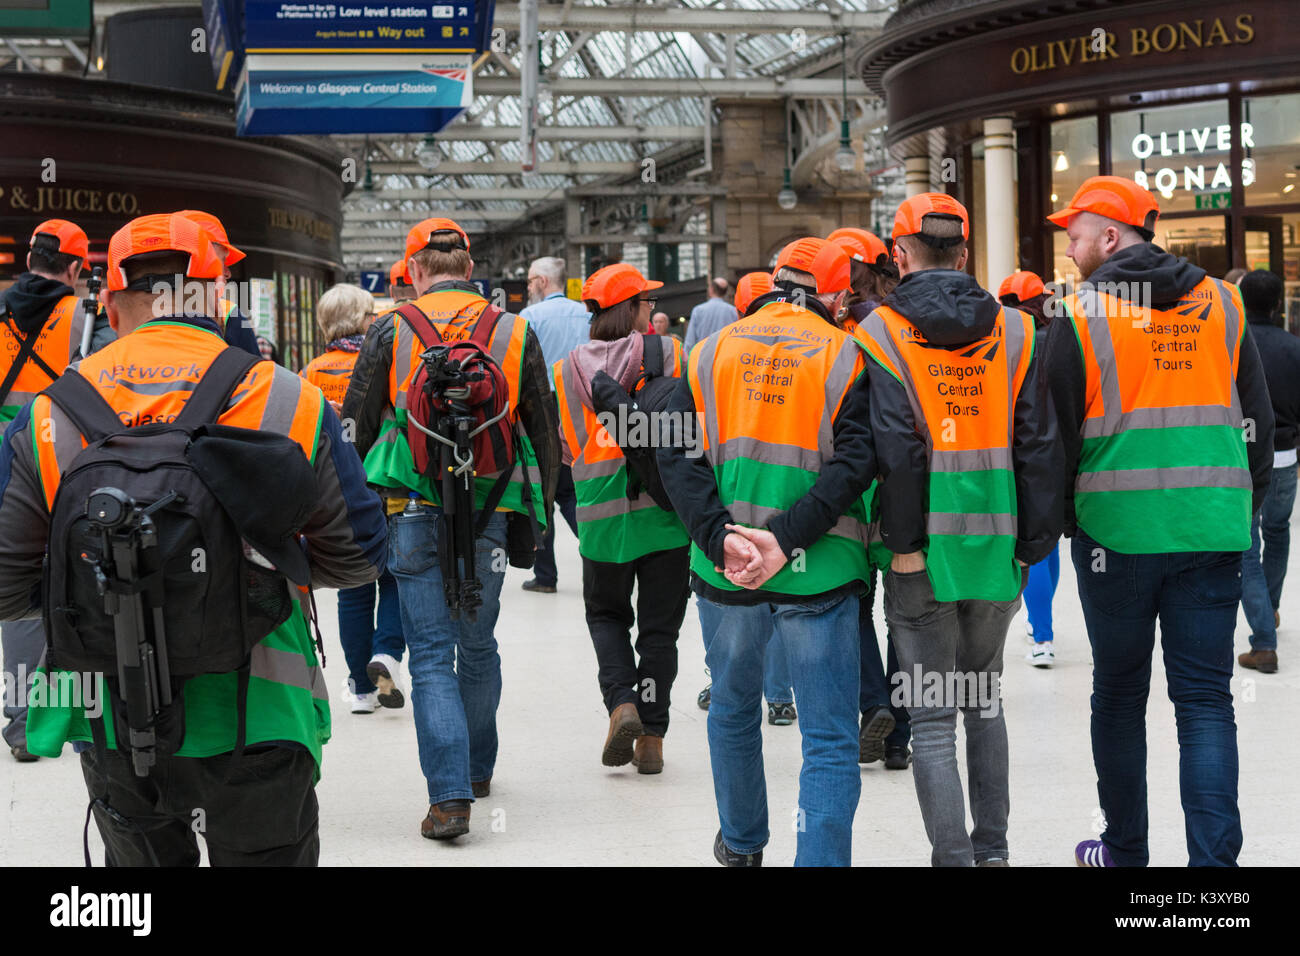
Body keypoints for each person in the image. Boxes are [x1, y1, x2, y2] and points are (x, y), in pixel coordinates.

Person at [0, 212, 387, 865]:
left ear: (110, 302)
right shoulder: (285, 398)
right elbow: (357, 555)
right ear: (215, 295)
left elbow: (8, 585)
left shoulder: (50, 415)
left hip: (114, 719)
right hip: (262, 709)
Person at [1044, 176, 1273, 867]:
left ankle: (1123, 853)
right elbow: (1256, 425)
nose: (1071, 247)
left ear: (1112, 236)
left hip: (1115, 534)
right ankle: (1213, 871)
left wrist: (1063, 522)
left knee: (1118, 697)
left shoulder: (1081, 312)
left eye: (1076, 234)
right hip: (1211, 529)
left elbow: (1054, 439)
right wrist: (1240, 504)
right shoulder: (1223, 303)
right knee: (1205, 702)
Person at [855, 194, 1062, 867]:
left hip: (921, 561)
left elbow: (896, 450)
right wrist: (1032, 546)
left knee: (934, 720)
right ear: (966, 253)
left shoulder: (879, 334)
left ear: (898, 253)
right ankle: (994, 853)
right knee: (983, 700)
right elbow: (1039, 448)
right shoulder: (1019, 332)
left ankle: (954, 860)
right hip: (997, 554)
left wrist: (907, 547)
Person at [660, 237, 876, 867]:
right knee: (830, 738)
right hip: (820, 573)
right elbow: (858, 463)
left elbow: (677, 455)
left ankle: (743, 844)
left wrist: (719, 534)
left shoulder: (707, 352)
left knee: (731, 709)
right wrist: (785, 540)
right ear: (833, 295)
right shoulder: (845, 355)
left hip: (727, 576)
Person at [343, 217, 559, 841]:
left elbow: (353, 430)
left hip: (410, 510)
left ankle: (449, 800)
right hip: (492, 507)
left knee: (431, 654)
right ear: (470, 270)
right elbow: (544, 431)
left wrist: (350, 520)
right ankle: (478, 769)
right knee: (479, 645)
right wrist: (537, 522)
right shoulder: (514, 331)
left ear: (413, 272)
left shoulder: (391, 330)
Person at [553, 263, 690, 774]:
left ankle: (622, 703)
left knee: (607, 616)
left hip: (601, 512)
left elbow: (568, 447)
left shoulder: (567, 369)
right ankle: (651, 737)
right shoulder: (670, 353)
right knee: (659, 630)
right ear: (631, 309)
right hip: (665, 509)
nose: (653, 309)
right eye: (646, 302)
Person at [0, 218, 113, 763]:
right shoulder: (85, 319)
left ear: (28, 261)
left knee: (20, 578)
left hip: (4, 458)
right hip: (60, 456)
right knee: (67, 576)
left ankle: (23, 723)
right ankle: (63, 713)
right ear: (74, 268)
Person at [692, 269, 797, 727]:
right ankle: (778, 697)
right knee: (776, 605)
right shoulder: (809, 355)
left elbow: (687, 446)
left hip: (729, 510)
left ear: (739, 310)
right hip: (787, 512)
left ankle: (725, 683)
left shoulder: (711, 357)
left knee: (726, 600)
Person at [827, 227, 911, 768]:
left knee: (854, 601)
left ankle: (872, 703)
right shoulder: (908, 318)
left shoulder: (837, 328)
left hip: (849, 485)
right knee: (905, 613)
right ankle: (901, 737)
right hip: (904, 482)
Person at [301, 283, 406, 712]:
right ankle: (386, 654)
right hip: (384, 483)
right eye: (369, 314)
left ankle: (359, 689)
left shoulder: (310, 372)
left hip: (336, 494)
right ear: (359, 320)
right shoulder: (384, 361)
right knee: (397, 575)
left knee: (352, 587)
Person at [1237, 270, 1299, 674]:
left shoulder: (1234, 346)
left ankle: (1263, 641)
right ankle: (1270, 608)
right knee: (1277, 534)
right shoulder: (1295, 347)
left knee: (1246, 547)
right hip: (1285, 458)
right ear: (1278, 304)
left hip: (1243, 460)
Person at [999, 269, 1060, 667]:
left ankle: (1043, 635)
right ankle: (1042, 625)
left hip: (1018, 453)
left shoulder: (1006, 342)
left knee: (1032, 548)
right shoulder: (1061, 338)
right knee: (1049, 545)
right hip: (1058, 454)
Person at [518, 255, 588, 594]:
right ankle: (600, 552)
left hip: (542, 412)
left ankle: (546, 576)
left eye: (530, 281)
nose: (528, 287)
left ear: (543, 282)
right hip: (583, 411)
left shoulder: (529, 317)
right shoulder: (588, 314)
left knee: (541, 491)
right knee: (576, 487)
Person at [176, 210, 261, 359]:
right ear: (204, 259)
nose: (228, 273)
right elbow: (258, 377)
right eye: (222, 260)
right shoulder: (228, 315)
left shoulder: (140, 310)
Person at [683, 276, 739, 354]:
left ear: (711, 289)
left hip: (703, 358)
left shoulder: (698, 310)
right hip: (725, 358)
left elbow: (690, 341)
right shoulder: (733, 311)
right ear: (725, 292)